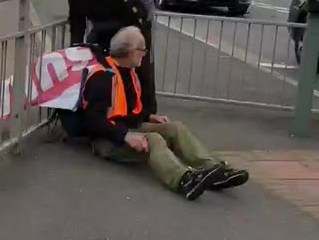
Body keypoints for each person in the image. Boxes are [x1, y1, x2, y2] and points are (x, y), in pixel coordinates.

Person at [82, 26, 249, 201]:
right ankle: (183, 179)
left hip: (127, 128)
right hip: (107, 140)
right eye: (142, 49)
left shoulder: (128, 72)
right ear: (130, 51)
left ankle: (215, 170)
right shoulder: (102, 77)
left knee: (174, 128)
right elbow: (94, 121)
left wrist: (148, 117)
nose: (145, 53)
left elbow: (126, 109)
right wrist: (126, 136)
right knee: (153, 139)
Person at [65, 0, 157, 116]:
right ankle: (100, 109)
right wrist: (73, 51)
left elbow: (138, 17)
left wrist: (136, 43)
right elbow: (77, 22)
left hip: (135, 16)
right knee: (95, 60)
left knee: (137, 61)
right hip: (102, 20)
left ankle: (147, 112)